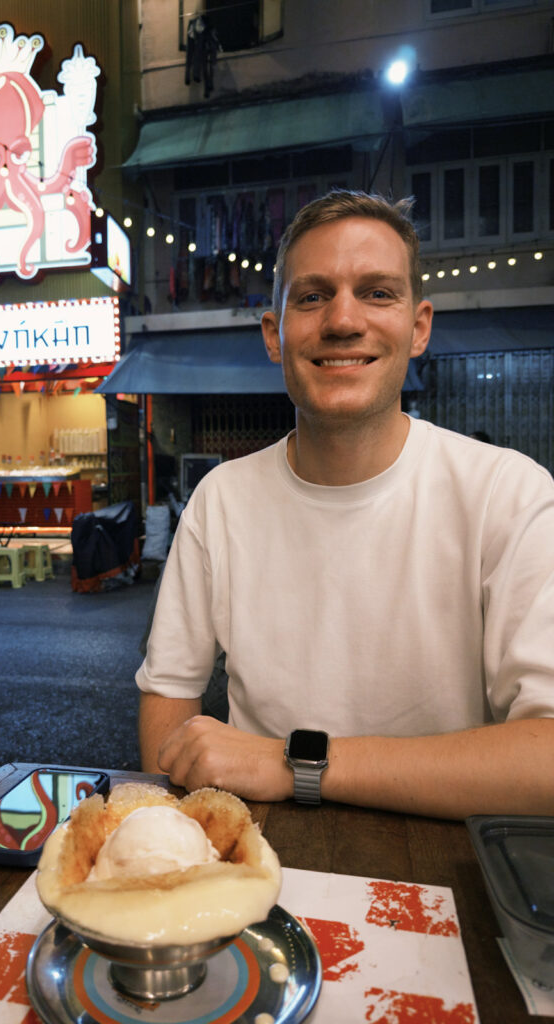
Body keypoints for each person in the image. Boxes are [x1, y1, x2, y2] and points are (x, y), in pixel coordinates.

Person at [137, 189, 554, 820]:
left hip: (450, 868)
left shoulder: (508, 494)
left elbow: (544, 757)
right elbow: (169, 691)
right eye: (312, 295)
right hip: (261, 865)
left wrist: (293, 763)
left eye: (378, 292)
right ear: (274, 336)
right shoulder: (221, 500)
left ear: (419, 328)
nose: (342, 320)